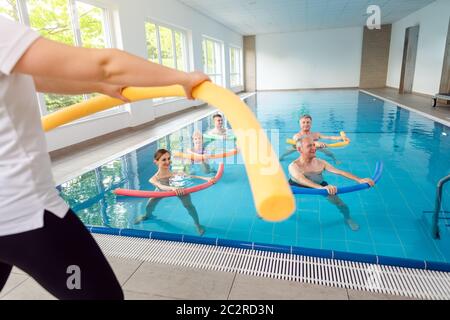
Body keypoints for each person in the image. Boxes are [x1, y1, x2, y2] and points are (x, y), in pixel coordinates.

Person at [0, 16, 210, 299]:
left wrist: (97, 87)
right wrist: (183, 78)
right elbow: (106, 64)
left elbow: (33, 77)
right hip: (23, 215)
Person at [288, 136, 375, 231]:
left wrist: (359, 180)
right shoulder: (294, 165)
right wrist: (320, 188)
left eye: (314, 145)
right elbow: (301, 179)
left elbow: (339, 171)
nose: (314, 148)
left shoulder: (321, 162)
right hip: (295, 185)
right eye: (309, 146)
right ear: (299, 149)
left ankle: (348, 218)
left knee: (341, 204)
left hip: (320, 184)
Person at [134, 149, 216, 235]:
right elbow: (161, 186)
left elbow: (191, 176)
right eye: (164, 159)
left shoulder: (175, 174)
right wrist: (172, 188)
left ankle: (197, 225)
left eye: (169, 158)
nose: (168, 161)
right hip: (163, 190)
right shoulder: (153, 178)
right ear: (156, 161)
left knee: (189, 206)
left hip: (179, 189)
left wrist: (206, 178)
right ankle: (146, 215)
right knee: (150, 205)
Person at [280, 114, 347, 163]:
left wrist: (340, 138)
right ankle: (281, 157)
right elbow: (300, 142)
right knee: (286, 153)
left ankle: (335, 159)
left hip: (316, 147)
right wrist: (315, 143)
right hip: (300, 147)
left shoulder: (315, 134)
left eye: (308, 122)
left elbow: (329, 137)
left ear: (311, 124)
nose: (306, 124)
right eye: (303, 122)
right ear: (300, 124)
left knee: (330, 153)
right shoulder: (297, 136)